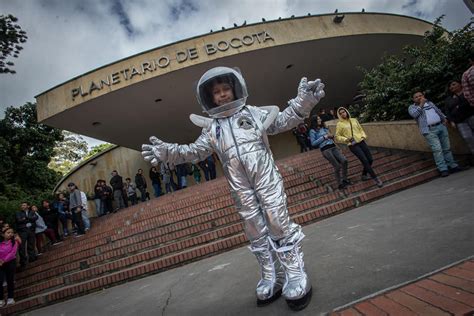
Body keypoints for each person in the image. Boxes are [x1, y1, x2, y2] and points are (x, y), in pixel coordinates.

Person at [142, 66, 325, 310]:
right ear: (209, 98)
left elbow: (282, 121)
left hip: (265, 177)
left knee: (277, 221)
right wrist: (168, 152)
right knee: (254, 228)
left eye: (226, 88)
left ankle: (295, 273)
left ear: (236, 88)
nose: (222, 95)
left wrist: (304, 101)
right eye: (216, 92)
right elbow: (193, 152)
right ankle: (272, 276)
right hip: (240, 187)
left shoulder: (253, 113)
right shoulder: (212, 128)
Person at [409, 91, 461, 177]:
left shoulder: (429, 103)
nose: (419, 97)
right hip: (429, 130)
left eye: (420, 95)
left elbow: (437, 110)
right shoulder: (412, 107)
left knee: (446, 148)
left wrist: (444, 118)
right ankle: (443, 169)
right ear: (413, 99)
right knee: (437, 149)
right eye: (416, 97)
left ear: (423, 96)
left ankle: (453, 166)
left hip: (441, 126)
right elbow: (415, 115)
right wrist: (421, 104)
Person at [335, 107, 383, 187]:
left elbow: (360, 129)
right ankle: (376, 179)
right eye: (341, 113)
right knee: (364, 161)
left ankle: (364, 174)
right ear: (339, 115)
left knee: (370, 159)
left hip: (361, 141)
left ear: (346, 111)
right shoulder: (339, 124)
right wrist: (346, 139)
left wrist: (363, 136)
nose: (343, 114)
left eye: (344, 112)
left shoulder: (354, 120)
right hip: (353, 145)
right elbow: (337, 136)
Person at [310, 116, 349, 189]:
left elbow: (330, 135)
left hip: (333, 146)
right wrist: (324, 137)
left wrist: (331, 136)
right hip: (325, 150)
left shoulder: (324, 128)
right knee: (337, 166)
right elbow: (313, 143)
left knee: (344, 160)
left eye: (320, 118)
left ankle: (345, 179)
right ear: (315, 121)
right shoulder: (312, 131)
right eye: (318, 119)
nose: (320, 119)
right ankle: (339, 184)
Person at [445, 80, 474, 161]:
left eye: (454, 84)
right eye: (450, 86)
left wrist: (458, 105)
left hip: (471, 116)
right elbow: (447, 111)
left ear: (460, 85)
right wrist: (451, 121)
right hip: (459, 121)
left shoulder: (467, 93)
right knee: (467, 137)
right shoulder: (448, 99)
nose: (452, 87)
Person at [0, 227, 21, 306]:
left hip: (10, 263)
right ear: (3, 234)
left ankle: (10, 298)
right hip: (0, 264)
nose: (10, 234)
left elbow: (12, 253)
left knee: (10, 280)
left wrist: (4, 260)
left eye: (11, 232)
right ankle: (1, 299)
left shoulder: (14, 242)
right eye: (8, 233)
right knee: (0, 281)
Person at [15, 202, 37, 268]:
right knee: (22, 246)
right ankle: (23, 261)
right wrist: (29, 218)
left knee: (31, 244)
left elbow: (35, 218)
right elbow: (19, 220)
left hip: (31, 230)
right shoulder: (18, 213)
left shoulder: (32, 212)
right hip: (22, 231)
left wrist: (26, 218)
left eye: (24, 205)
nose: (22, 206)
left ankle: (32, 258)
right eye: (22, 205)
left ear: (28, 206)